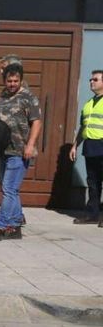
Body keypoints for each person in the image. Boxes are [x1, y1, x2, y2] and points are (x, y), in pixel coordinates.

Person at [0, 63, 41, 240]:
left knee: (9, 188)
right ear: (4, 80)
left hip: (20, 151)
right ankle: (15, 224)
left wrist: (30, 145)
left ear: (21, 80)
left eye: (15, 81)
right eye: (9, 81)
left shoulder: (28, 97)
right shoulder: (1, 98)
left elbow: (36, 122)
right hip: (3, 151)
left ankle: (0, 226)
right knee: (8, 188)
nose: (12, 84)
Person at [69, 69, 103, 226]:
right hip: (91, 147)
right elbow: (83, 127)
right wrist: (75, 146)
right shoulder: (89, 104)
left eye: (95, 79)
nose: (91, 82)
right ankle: (92, 214)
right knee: (93, 182)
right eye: (91, 79)